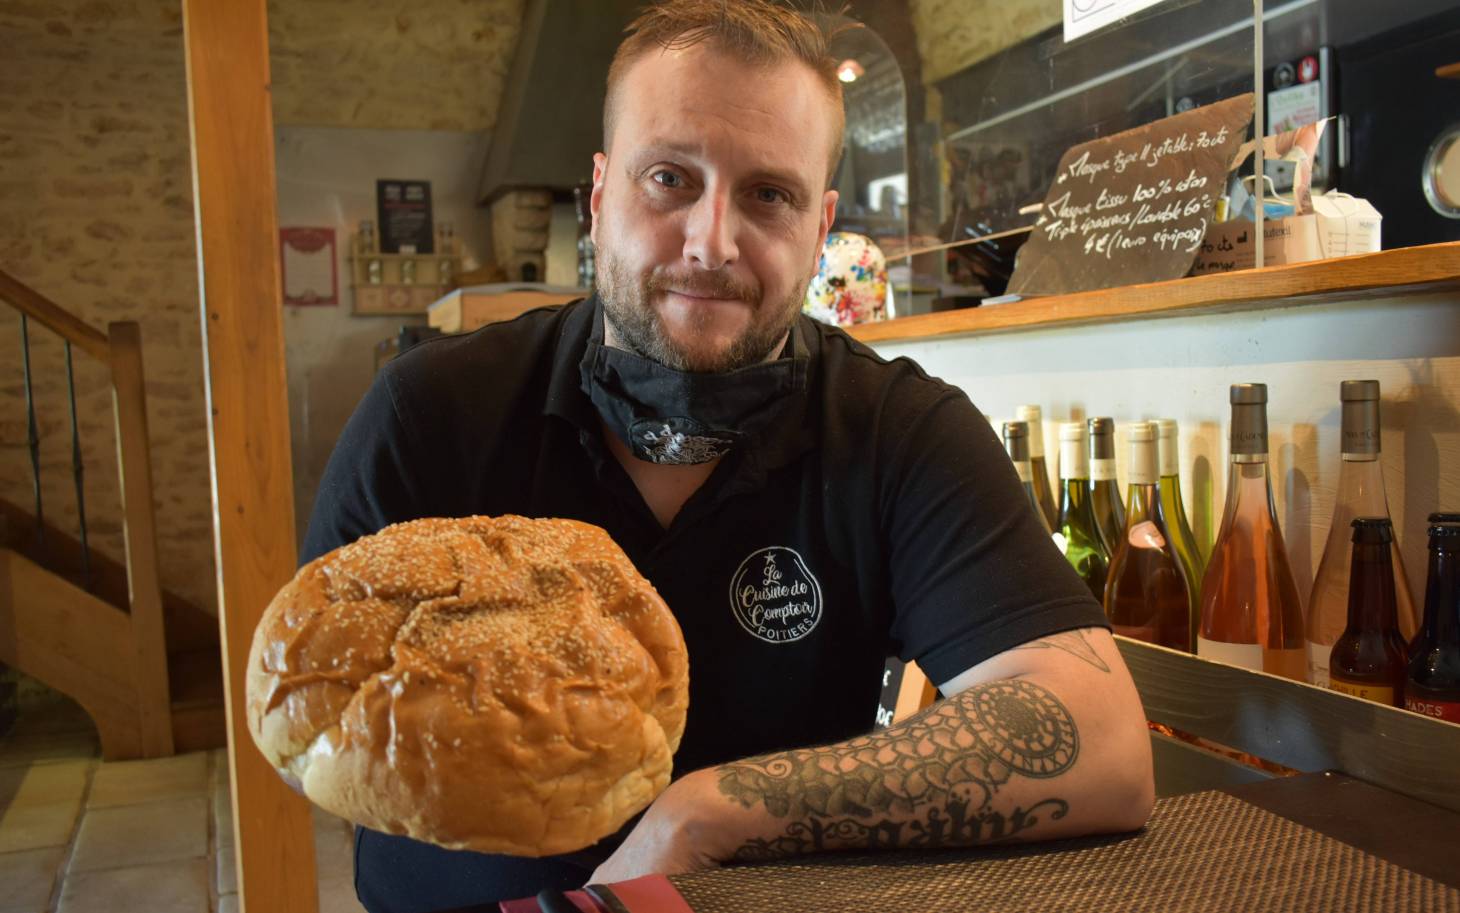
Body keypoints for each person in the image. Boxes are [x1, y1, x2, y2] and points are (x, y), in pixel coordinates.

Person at [301, 3, 1154, 911]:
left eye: (768, 194)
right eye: (669, 177)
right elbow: (313, 712)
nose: (712, 241)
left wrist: (706, 811)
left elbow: (1100, 739)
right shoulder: (431, 413)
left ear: (819, 226)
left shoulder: (900, 430)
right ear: (599, 193)